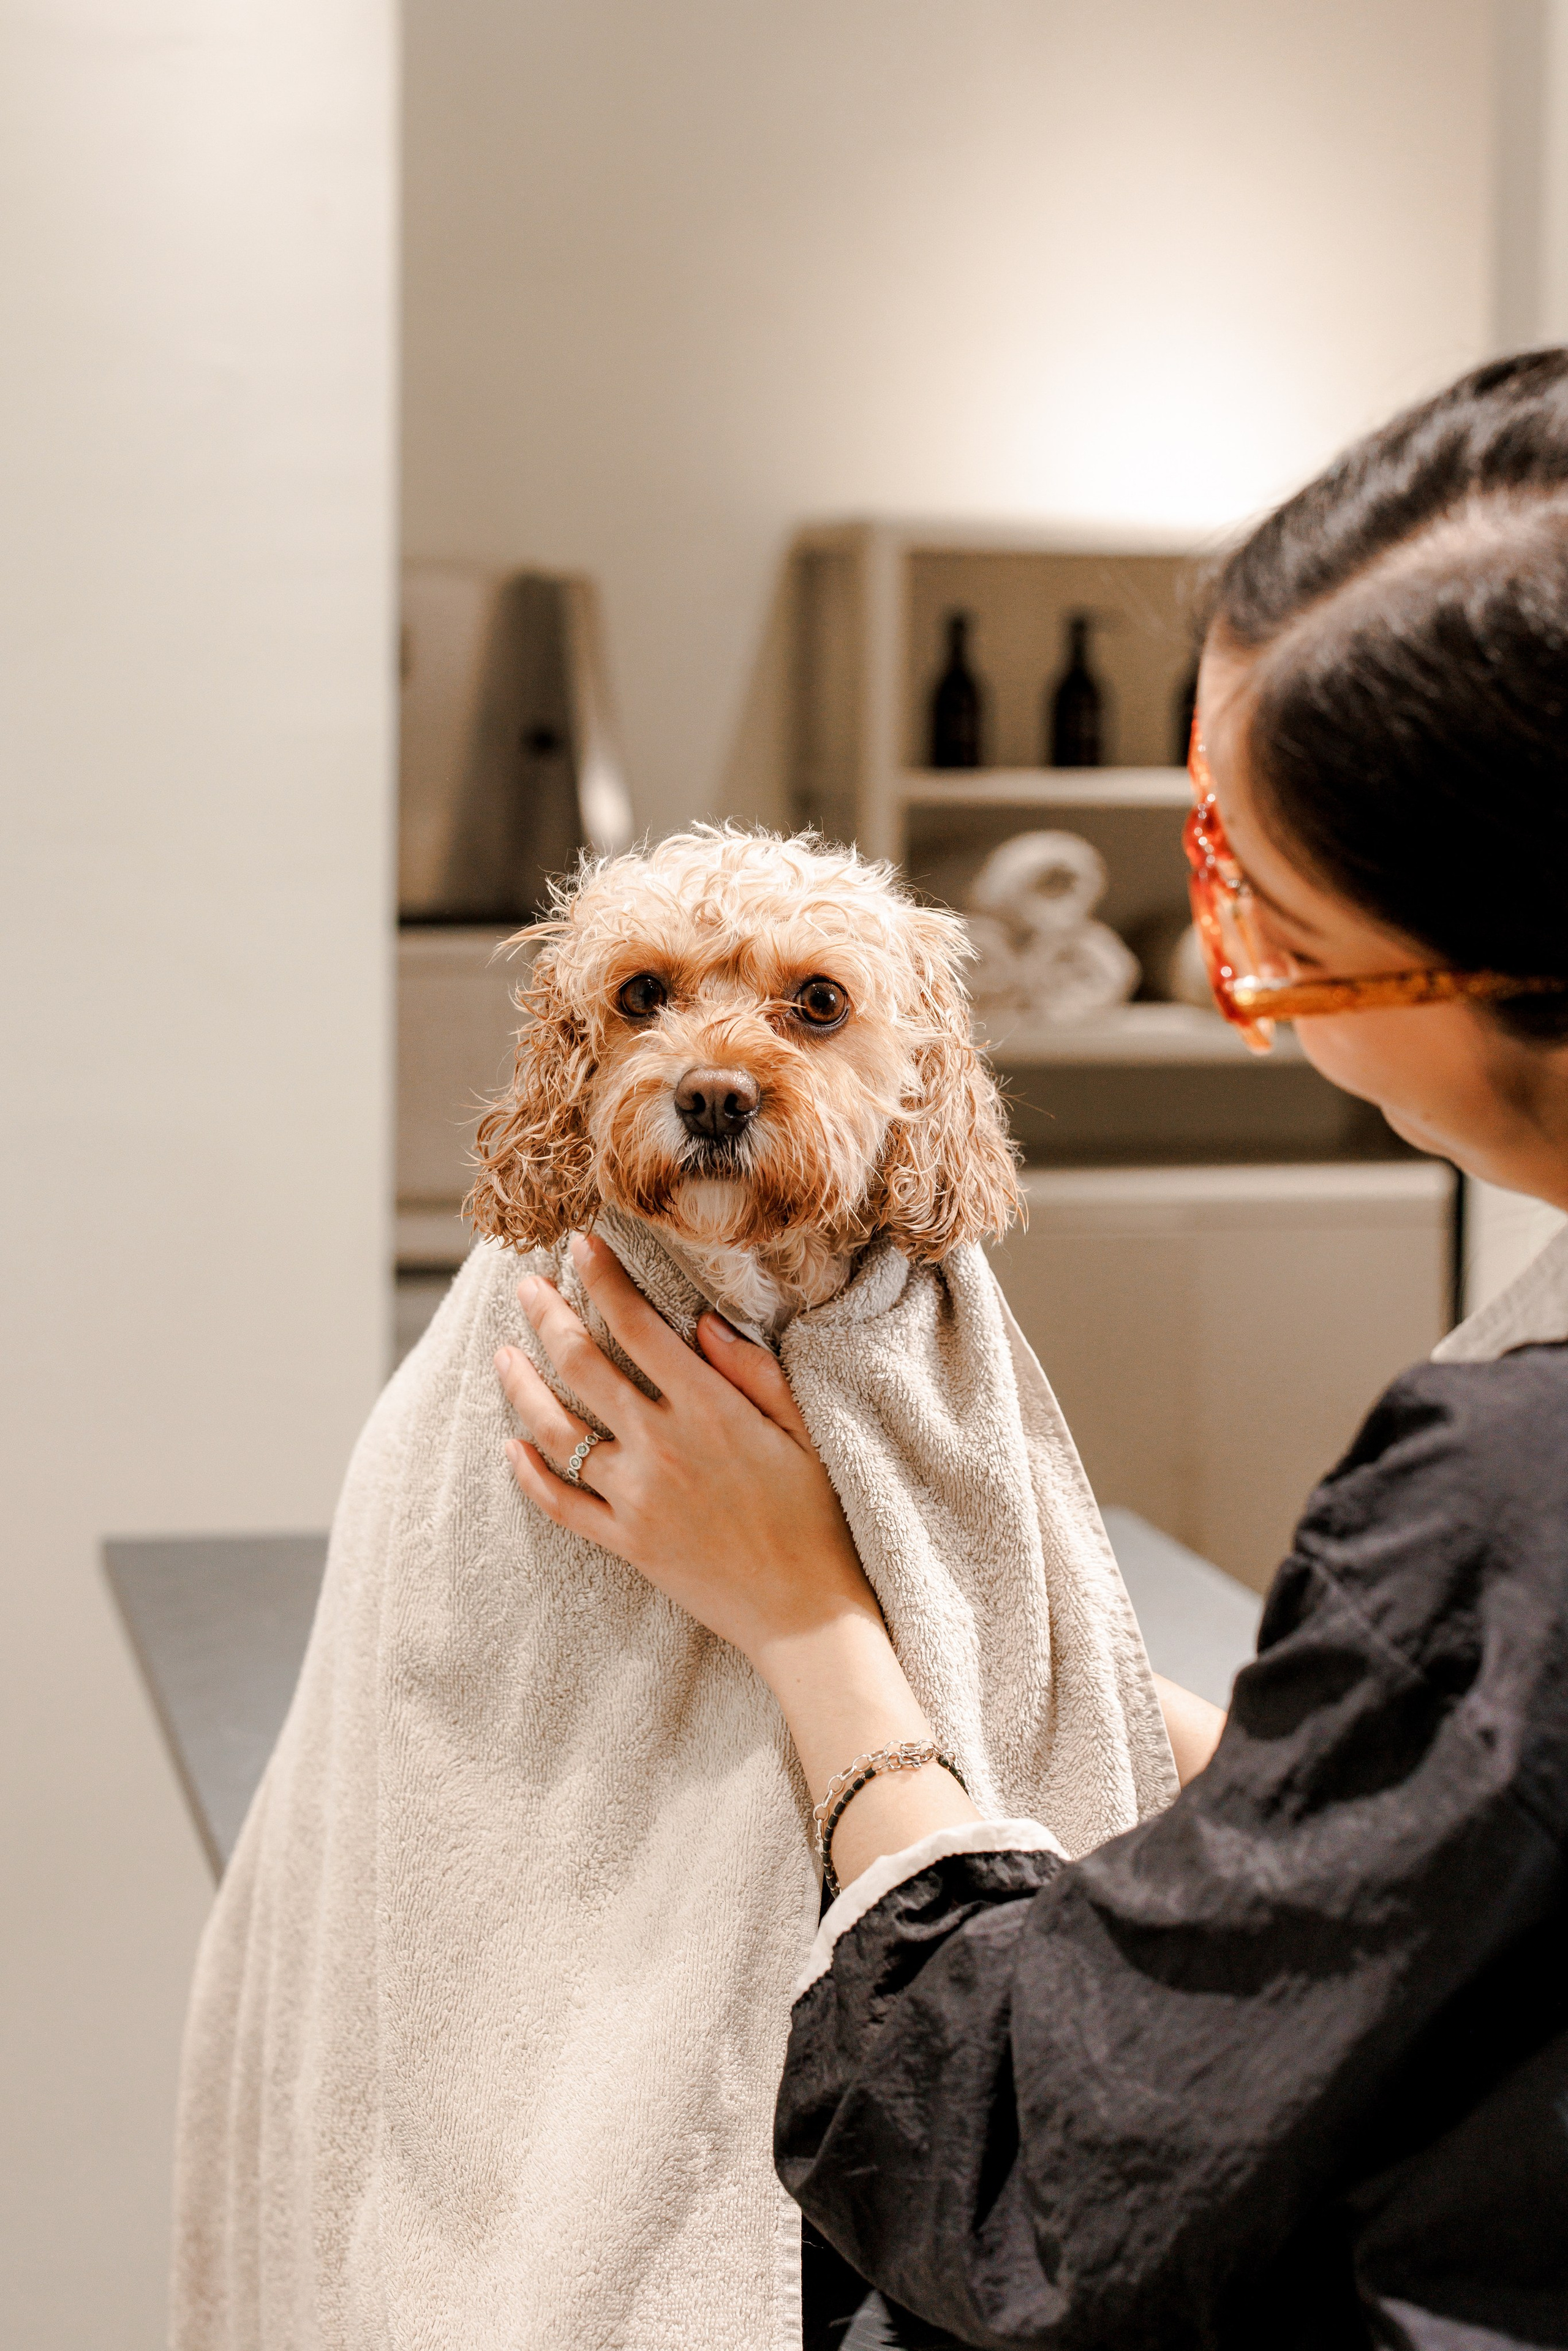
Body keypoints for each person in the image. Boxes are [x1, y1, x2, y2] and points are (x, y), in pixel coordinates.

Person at [492, 351, 1568, 2350]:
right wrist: (1118, 1690)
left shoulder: (1507, 1501)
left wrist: (813, 1622)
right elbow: (1467, 1797)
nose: (1240, 968)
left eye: (1263, 926)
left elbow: (1029, 2174)